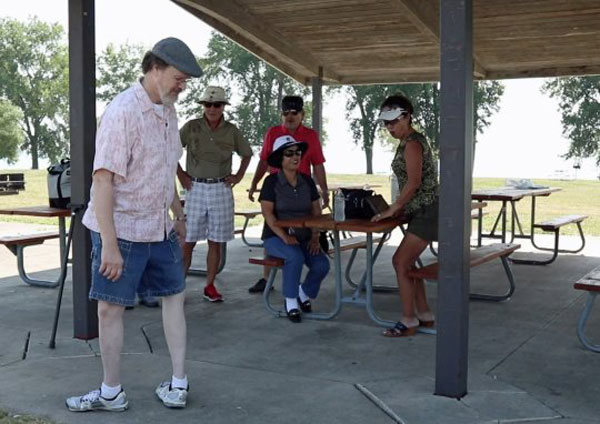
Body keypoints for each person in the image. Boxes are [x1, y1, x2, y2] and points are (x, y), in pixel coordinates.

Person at [66, 37, 203, 412]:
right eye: (179, 78)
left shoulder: (169, 111)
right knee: (110, 309)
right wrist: (109, 247)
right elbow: (102, 181)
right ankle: (111, 392)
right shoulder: (123, 111)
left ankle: (178, 383)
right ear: (155, 69)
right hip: (121, 231)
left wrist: (178, 214)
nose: (182, 86)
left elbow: (164, 170)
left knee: (174, 297)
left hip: (159, 228)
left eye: (185, 81)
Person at [372, 93, 439, 337]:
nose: (389, 127)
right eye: (386, 123)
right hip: (421, 210)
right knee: (408, 263)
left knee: (400, 261)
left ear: (407, 116)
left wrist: (394, 207)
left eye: (393, 121)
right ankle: (424, 314)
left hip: (427, 211)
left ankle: (409, 319)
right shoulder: (408, 141)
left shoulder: (412, 143)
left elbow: (414, 182)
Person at [177, 86, 252, 302]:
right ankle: (178, 287)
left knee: (216, 241)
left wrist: (238, 176)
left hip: (221, 187)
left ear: (223, 107)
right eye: (208, 104)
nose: (212, 109)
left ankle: (209, 286)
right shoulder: (191, 126)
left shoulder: (231, 130)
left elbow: (246, 154)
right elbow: (170, 150)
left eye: (216, 105)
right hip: (195, 187)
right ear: (203, 106)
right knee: (187, 240)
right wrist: (181, 175)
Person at [247, 95, 329, 294]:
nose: (290, 117)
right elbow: (264, 160)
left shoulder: (310, 135)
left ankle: (299, 288)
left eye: (294, 113)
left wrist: (324, 190)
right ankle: (267, 278)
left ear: (302, 114)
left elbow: (318, 164)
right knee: (273, 227)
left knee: (304, 233)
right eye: (285, 113)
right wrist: (255, 183)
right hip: (277, 190)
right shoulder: (273, 132)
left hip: (302, 190)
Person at [259, 135, 330, 323]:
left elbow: (316, 210)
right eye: (289, 153)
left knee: (322, 265)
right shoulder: (271, 182)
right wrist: (284, 237)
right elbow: (268, 214)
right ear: (280, 158)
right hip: (276, 237)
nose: (295, 157)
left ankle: (303, 292)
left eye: (297, 153)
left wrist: (315, 237)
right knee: (294, 257)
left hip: (304, 237)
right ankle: (290, 302)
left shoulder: (307, 180)